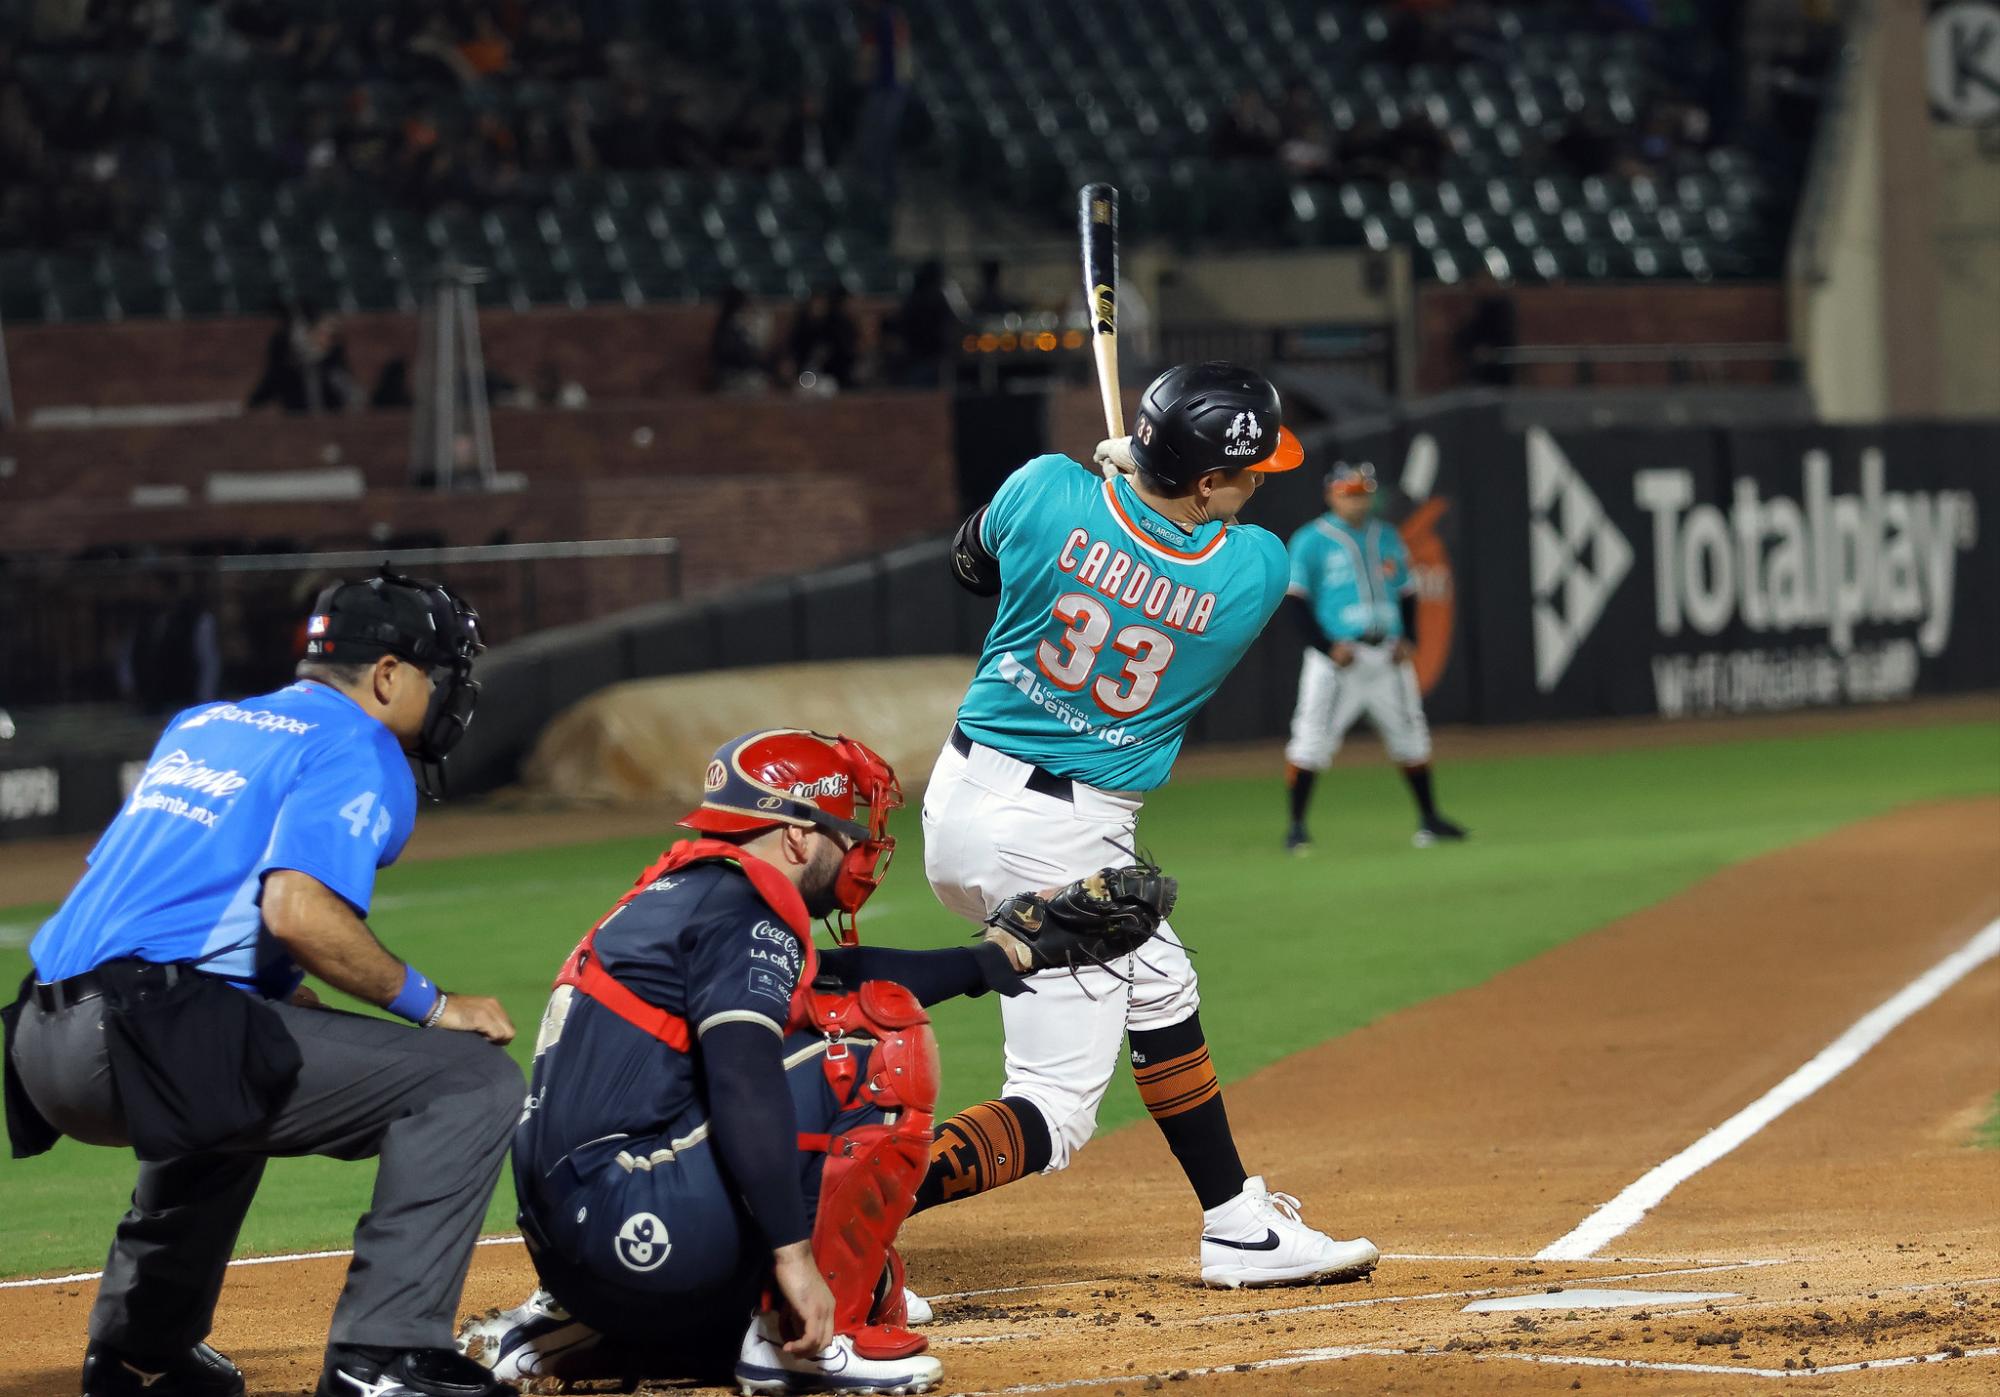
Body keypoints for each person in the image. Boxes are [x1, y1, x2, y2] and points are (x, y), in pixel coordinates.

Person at [462, 729, 1122, 1394]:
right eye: (845, 832)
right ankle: (798, 1341)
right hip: (635, 1220)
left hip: (580, 1239)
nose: (858, 850)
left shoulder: (691, 893)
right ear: (798, 837)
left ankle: (577, 1326)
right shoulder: (743, 912)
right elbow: (744, 1082)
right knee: (872, 1045)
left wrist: (1003, 954)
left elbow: (844, 974)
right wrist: (794, 1257)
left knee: (826, 1020)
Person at [0, 570, 523, 1397]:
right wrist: (434, 1003)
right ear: (388, 675)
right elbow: (298, 910)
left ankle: (142, 1352)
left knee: (238, 1067)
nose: (451, 692)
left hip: (37, 1035)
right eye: (442, 672)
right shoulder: (358, 743)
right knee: (473, 1082)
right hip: (138, 1036)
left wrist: (257, 994)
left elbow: (154, 890)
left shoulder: (206, 723)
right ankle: (381, 1357)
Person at [922, 361, 1381, 1289]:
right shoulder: (1255, 571)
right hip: (1063, 842)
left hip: (960, 799)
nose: (1259, 486)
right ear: (1206, 481)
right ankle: (825, 1216)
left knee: (1163, 984)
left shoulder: (1045, 488)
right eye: (1245, 473)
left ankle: (1237, 1222)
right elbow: (1186, 543)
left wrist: (1106, 493)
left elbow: (971, 564)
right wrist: (1136, 494)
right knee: (1054, 1109)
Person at [1281, 462, 1467, 852]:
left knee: (1411, 735)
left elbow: (1407, 591)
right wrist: (1325, 647)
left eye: (1363, 494)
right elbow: (1295, 600)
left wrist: (1410, 637)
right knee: (1311, 738)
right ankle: (1296, 827)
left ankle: (1430, 819)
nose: (1358, 501)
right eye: (1350, 494)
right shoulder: (1311, 539)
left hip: (1387, 655)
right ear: (1331, 495)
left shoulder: (1386, 536)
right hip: (1339, 658)